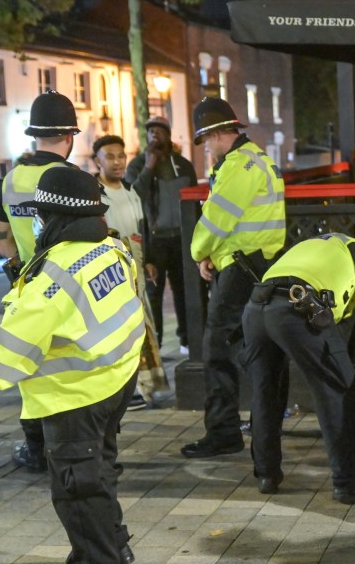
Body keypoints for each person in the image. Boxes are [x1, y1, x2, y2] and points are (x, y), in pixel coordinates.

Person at [0, 167, 144, 564]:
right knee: (100, 471)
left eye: (40, 214)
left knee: (77, 487)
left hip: (73, 396)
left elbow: (8, 348)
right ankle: (115, 545)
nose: (36, 222)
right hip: (114, 379)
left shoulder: (56, 276)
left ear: (56, 217)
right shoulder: (111, 248)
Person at [242, 222, 355, 500]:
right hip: (299, 305)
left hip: (256, 307)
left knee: (266, 390)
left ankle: (266, 474)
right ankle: (350, 483)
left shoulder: (324, 243)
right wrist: (346, 368)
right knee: (338, 393)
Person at [181, 97, 286, 459]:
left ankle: (224, 431)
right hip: (256, 264)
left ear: (218, 133)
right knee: (250, 347)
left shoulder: (239, 165)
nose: (207, 147)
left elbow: (216, 219)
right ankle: (262, 421)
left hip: (241, 268)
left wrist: (198, 253)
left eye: (207, 139)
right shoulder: (258, 159)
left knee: (217, 349)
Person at [0, 90, 79, 474]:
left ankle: (35, 449)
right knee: (72, 370)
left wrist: (20, 264)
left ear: (34, 135)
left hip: (28, 287)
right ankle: (76, 448)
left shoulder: (11, 180)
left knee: (30, 368)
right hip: (71, 290)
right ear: (70, 136)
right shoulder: (74, 179)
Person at [93, 135, 167, 409]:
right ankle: (126, 389)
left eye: (120, 156)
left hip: (134, 276)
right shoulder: (94, 196)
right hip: (109, 277)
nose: (117, 162)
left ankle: (144, 385)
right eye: (109, 157)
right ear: (97, 161)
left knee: (141, 329)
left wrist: (147, 260)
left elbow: (139, 231)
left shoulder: (131, 193)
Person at [125, 116, 197, 353]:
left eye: (159, 131)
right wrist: (149, 167)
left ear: (168, 135)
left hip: (181, 239)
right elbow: (132, 197)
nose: (154, 136)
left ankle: (187, 339)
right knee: (153, 294)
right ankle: (156, 343)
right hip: (153, 241)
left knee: (183, 290)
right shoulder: (137, 165)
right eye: (150, 132)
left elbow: (194, 203)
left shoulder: (184, 165)